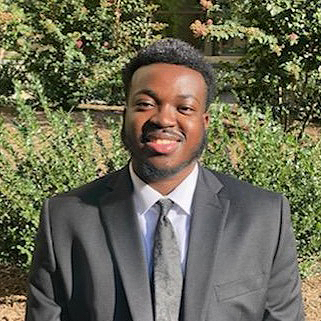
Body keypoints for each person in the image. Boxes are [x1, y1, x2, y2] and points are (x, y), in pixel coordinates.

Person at [25, 38, 305, 321]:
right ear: (125, 114)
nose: (164, 120)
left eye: (184, 108)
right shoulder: (66, 218)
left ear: (205, 122)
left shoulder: (264, 216)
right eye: (145, 104)